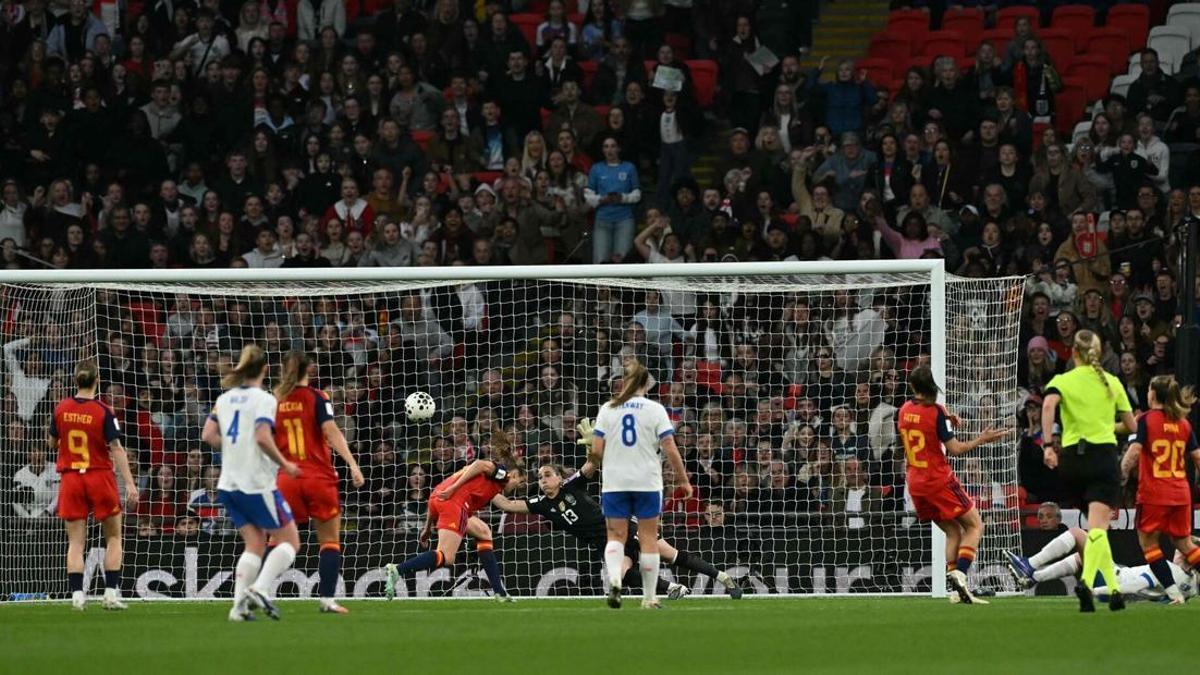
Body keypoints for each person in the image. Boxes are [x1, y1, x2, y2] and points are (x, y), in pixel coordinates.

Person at [489, 444, 742, 599]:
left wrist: (593, 448)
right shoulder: (540, 504)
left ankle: (723, 578)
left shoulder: (571, 486)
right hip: (607, 545)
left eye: (547, 475)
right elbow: (507, 505)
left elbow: (591, 464)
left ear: (558, 477)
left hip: (621, 529)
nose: (543, 480)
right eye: (540, 477)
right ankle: (672, 588)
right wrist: (486, 485)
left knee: (670, 555)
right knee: (618, 577)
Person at [201, 344, 302, 622]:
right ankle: (260, 588)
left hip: (227, 484)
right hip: (255, 483)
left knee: (255, 543)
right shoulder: (264, 399)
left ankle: (237, 608)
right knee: (290, 540)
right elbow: (261, 437)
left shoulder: (225, 399)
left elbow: (208, 434)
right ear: (265, 370)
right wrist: (285, 464)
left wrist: (234, 449)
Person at [1040, 330, 1137, 612]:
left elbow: (1048, 405)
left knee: (1098, 531)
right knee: (1098, 529)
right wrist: (1109, 426)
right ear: (1099, 353)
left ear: (1073, 353)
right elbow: (1131, 426)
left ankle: (1115, 592)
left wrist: (1048, 445)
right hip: (1102, 458)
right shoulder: (1112, 382)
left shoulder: (1063, 380)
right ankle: (1087, 583)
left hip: (1071, 462)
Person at [898, 366, 1006, 605]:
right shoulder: (936, 412)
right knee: (976, 526)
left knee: (952, 531)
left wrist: (946, 419)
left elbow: (924, 423)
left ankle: (957, 590)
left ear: (913, 387)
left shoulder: (904, 410)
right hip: (938, 480)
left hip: (915, 483)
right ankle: (961, 574)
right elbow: (955, 449)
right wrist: (982, 439)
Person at [590, 361, 692, 609]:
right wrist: (683, 479)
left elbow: (596, 452)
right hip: (647, 481)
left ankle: (615, 578)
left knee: (615, 536)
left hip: (615, 482)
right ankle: (649, 598)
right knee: (647, 539)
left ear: (623, 383)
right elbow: (670, 447)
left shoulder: (608, 409)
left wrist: (597, 452)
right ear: (646, 384)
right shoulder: (655, 409)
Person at [272, 352, 366, 614]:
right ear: (308, 371)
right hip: (317, 477)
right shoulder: (317, 397)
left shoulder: (275, 401)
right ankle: (326, 600)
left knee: (277, 540)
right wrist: (352, 463)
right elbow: (330, 431)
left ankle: (257, 590)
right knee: (329, 540)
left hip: (286, 478)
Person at [384, 428, 524, 601]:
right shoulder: (502, 473)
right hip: (453, 502)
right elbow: (479, 463)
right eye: (520, 480)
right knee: (446, 556)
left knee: (484, 532)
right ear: (514, 474)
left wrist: (427, 528)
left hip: (438, 499)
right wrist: (454, 488)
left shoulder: (487, 484)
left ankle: (499, 592)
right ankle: (398, 569)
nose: (520, 485)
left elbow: (505, 504)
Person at [50, 360, 139, 611]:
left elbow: (51, 443)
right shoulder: (103, 411)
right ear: (97, 380)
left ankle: (77, 596)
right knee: (113, 536)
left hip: (71, 478)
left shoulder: (61, 408)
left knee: (76, 542)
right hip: (99, 476)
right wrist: (130, 484)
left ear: (75, 380)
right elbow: (117, 448)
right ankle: (110, 594)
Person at [1119, 375, 1200, 603]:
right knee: (1184, 543)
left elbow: (1134, 451)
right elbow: (1197, 457)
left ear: (1153, 394)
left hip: (1155, 492)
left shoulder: (1147, 419)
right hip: (1181, 493)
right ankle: (1175, 594)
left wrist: (1121, 475)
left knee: (1148, 543)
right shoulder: (1183, 423)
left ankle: (1174, 594)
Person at [1006, 527, 1199, 603]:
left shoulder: (1170, 570)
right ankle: (1033, 578)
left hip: (1113, 582)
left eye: (1180, 550)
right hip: (1118, 577)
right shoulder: (1190, 584)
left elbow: (1134, 585)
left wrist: (1096, 592)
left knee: (1078, 535)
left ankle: (1030, 565)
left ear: (1186, 560)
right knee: (1081, 557)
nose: (1176, 550)